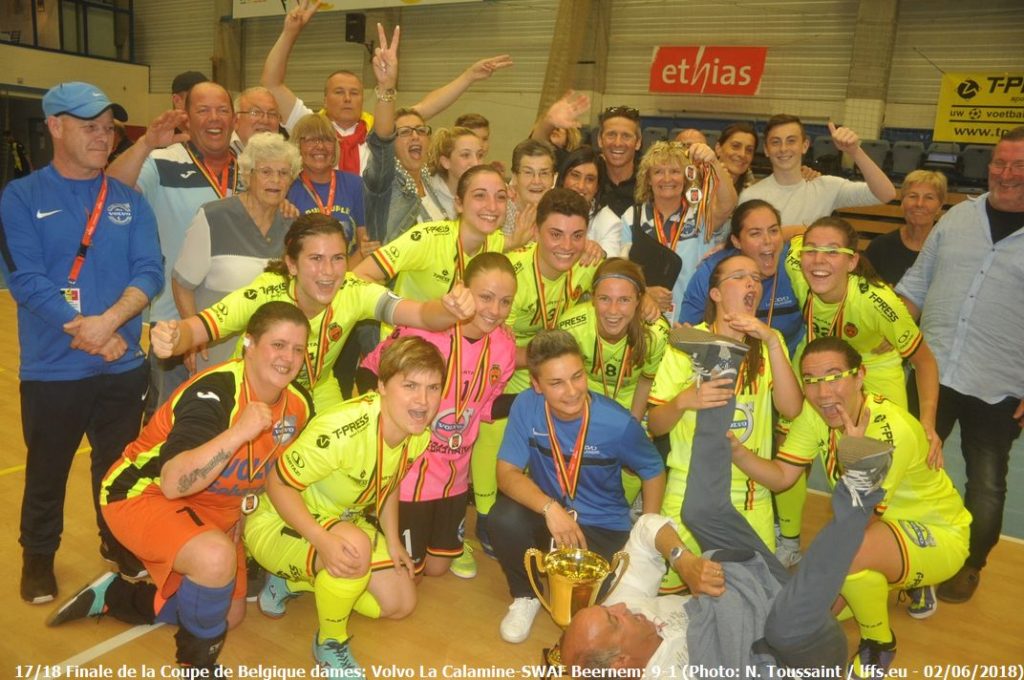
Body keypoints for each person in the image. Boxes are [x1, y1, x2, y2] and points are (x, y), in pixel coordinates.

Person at [559, 329, 898, 677]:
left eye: (610, 609)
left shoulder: (623, 606)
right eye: (615, 620)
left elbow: (646, 529)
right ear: (621, 662)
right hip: (797, 650)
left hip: (754, 582)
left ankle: (720, 366)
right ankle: (860, 486)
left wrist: (683, 561)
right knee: (784, 626)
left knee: (699, 511)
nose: (622, 608)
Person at [45, 301, 315, 673]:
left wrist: (243, 515)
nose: (288, 358)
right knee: (214, 558)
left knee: (228, 615)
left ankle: (119, 596)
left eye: (298, 349)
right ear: (249, 343)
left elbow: (270, 471)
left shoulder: (299, 405)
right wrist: (238, 433)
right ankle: (195, 664)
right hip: (141, 493)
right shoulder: (215, 392)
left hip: (215, 505)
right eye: (278, 345)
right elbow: (173, 482)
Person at [0, 82, 163, 603]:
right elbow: (26, 281)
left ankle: (117, 542)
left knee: (116, 468)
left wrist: (108, 324)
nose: (103, 137)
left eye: (109, 128)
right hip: (53, 369)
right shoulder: (20, 197)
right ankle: (38, 557)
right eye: (90, 127)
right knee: (46, 470)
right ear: (55, 126)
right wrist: (88, 331)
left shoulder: (129, 201)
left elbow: (149, 271)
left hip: (122, 366)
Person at [730, 337, 969, 677]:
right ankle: (900, 577)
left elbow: (857, 525)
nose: (822, 393)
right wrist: (737, 452)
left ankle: (879, 643)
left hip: (939, 534)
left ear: (860, 376)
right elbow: (782, 476)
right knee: (817, 606)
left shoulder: (889, 432)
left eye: (833, 377)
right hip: (881, 529)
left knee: (845, 559)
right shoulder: (815, 415)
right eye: (811, 380)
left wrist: (820, 586)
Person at [246, 336, 445, 674]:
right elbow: (276, 485)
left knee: (400, 603)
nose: (423, 401)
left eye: (433, 387)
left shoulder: (418, 434)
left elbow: (390, 481)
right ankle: (330, 642)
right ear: (382, 385)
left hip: (340, 521)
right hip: (277, 520)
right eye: (410, 385)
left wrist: (393, 541)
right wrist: (322, 540)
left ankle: (291, 582)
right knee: (353, 549)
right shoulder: (342, 430)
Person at [152, 212, 473, 413]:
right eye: (316, 259)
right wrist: (173, 337)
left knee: (343, 456)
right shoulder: (265, 292)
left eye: (337, 258)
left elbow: (421, 315)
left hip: (318, 391)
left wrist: (449, 309)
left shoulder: (353, 290)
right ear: (291, 264)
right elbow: (198, 329)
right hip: (255, 390)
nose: (329, 272)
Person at [895, 126, 1024, 604]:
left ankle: (969, 565)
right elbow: (915, 286)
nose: (1005, 174)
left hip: (1001, 384)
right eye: (999, 163)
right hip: (932, 370)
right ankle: (904, 547)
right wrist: (877, 327)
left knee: (986, 482)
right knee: (906, 464)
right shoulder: (957, 218)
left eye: (1018, 166)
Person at [776, 216, 941, 568]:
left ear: (852, 261)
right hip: (816, 364)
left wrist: (927, 423)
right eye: (812, 250)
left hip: (873, 368)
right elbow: (787, 232)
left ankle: (900, 551)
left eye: (832, 251)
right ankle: (788, 540)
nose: (818, 260)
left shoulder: (878, 302)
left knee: (882, 460)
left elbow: (925, 362)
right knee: (789, 440)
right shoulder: (798, 263)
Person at [491, 330, 666, 644]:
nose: (572, 392)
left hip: (603, 526)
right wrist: (550, 508)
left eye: (577, 377)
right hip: (550, 516)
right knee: (502, 518)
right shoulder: (526, 406)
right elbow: (506, 473)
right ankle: (526, 596)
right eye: (556, 383)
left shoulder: (617, 423)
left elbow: (653, 470)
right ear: (536, 385)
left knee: (603, 618)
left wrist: (646, 537)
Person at [359, 252, 518, 580]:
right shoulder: (425, 329)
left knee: (437, 568)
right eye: (485, 297)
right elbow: (370, 370)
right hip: (409, 472)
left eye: (505, 302)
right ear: (463, 288)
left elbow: (484, 407)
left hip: (454, 474)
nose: (494, 310)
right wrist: (378, 431)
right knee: (410, 575)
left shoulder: (504, 347)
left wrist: (532, 400)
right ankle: (370, 522)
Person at [649, 256, 802, 592]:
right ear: (715, 294)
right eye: (740, 276)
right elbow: (656, 425)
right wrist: (684, 400)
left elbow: (791, 409)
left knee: (753, 598)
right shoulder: (689, 342)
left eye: (757, 278)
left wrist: (773, 341)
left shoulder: (768, 342)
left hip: (750, 495)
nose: (752, 283)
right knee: (664, 596)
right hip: (689, 489)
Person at [471, 188, 603, 554]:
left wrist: (648, 294)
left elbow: (620, 287)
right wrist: (547, 360)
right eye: (555, 234)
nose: (567, 246)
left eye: (577, 236)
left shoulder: (589, 264)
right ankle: (485, 512)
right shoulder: (512, 273)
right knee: (495, 421)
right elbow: (489, 345)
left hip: (548, 368)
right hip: (501, 370)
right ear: (536, 231)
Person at [261, 0, 512, 175]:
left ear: (363, 99)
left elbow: (428, 107)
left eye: (354, 93)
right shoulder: (309, 125)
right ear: (325, 99)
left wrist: (468, 76)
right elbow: (271, 83)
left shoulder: (377, 127)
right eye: (339, 92)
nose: (348, 98)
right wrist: (290, 32)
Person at [107, 80, 238, 410]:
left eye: (223, 110)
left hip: (237, 321)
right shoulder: (161, 160)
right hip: (174, 321)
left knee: (229, 419)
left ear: (234, 119)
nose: (214, 118)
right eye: (203, 110)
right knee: (169, 421)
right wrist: (145, 143)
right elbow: (110, 190)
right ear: (186, 119)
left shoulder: (249, 166)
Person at [172, 132, 301, 373]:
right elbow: (182, 283)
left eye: (284, 173)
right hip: (217, 354)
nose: (275, 180)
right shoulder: (213, 217)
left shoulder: (294, 227)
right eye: (266, 171)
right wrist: (193, 337)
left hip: (272, 363)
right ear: (248, 175)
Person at [610, 140, 737, 319]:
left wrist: (713, 163)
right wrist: (644, 292)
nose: (667, 179)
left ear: (686, 177)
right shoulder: (633, 217)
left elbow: (728, 204)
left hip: (694, 317)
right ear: (648, 179)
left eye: (675, 171)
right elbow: (622, 270)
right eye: (658, 172)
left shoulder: (700, 214)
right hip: (646, 319)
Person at [681, 199, 804, 355]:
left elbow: (819, 234)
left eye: (773, 231)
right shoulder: (714, 271)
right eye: (755, 234)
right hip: (722, 362)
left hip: (787, 361)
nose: (767, 241)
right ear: (736, 241)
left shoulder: (794, 263)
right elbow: (685, 332)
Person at [557, 258, 668, 420]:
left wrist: (631, 424)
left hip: (631, 409)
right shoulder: (571, 328)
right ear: (593, 298)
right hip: (583, 405)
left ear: (638, 300)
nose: (613, 311)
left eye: (624, 300)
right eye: (604, 298)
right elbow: (566, 384)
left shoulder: (655, 333)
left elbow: (645, 382)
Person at [739, 115, 896, 226]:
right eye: (775, 142)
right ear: (766, 150)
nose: (783, 148)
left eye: (791, 141)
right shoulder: (751, 196)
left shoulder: (827, 187)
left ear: (805, 145)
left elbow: (886, 194)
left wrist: (854, 151)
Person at [286, 112, 366, 262]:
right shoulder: (287, 189)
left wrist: (343, 272)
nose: (320, 146)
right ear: (297, 145)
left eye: (327, 139)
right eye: (311, 140)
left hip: (352, 271)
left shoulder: (355, 185)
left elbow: (365, 246)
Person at [864, 170, 947, 286]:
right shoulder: (880, 247)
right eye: (913, 196)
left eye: (929, 197)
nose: (919, 204)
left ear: (940, 207)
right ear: (902, 203)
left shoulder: (948, 250)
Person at [556, 146, 620, 256]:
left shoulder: (610, 223)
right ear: (563, 178)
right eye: (575, 176)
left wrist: (600, 253)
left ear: (597, 187)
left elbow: (611, 263)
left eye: (590, 179)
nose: (581, 186)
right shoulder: (543, 209)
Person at [424, 126, 485, 221]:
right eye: (465, 155)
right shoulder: (427, 197)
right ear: (446, 162)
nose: (476, 163)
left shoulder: (492, 194)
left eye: (479, 155)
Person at [503, 139, 557, 237]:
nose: (536, 181)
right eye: (528, 172)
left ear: (553, 178)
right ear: (515, 177)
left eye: (544, 173)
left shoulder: (559, 214)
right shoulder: (501, 212)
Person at [595, 105, 642, 216]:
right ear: (600, 140)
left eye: (626, 136)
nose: (618, 143)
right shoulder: (588, 179)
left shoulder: (650, 183)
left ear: (638, 142)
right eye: (611, 135)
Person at [229, 86, 282, 156]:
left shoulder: (286, 155)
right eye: (256, 113)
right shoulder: (221, 151)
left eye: (272, 114)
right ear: (236, 120)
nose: (265, 120)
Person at [714, 122, 759, 196]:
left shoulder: (755, 194)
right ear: (718, 148)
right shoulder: (700, 183)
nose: (742, 154)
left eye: (749, 150)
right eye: (735, 146)